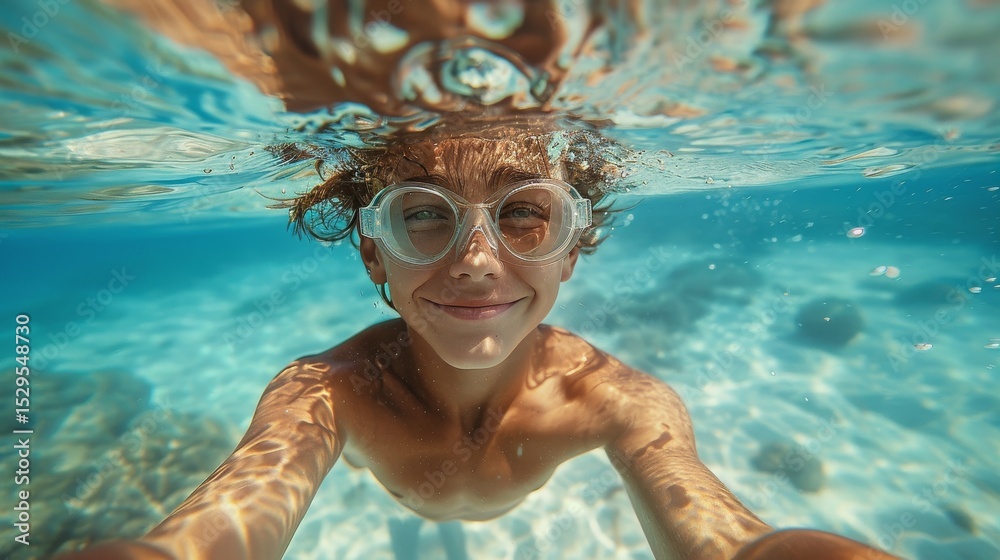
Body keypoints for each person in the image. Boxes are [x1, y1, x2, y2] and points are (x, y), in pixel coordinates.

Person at [56, 119, 900, 560]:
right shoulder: (327, 393)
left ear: (569, 249)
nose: (475, 261)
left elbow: (730, 541)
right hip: (388, 482)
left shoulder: (617, 403)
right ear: (374, 253)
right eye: (424, 215)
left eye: (523, 214)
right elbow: (200, 540)